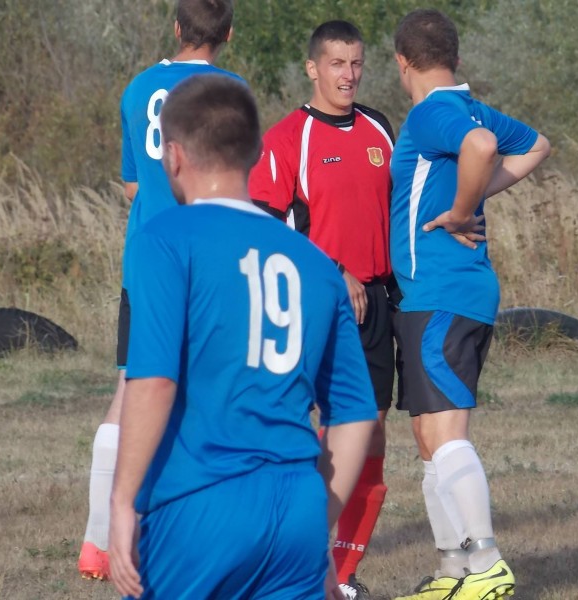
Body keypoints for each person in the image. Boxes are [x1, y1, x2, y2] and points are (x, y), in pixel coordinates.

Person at [109, 74, 376, 599]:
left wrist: (120, 503)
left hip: (198, 503)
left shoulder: (163, 240)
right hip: (297, 507)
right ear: (256, 153)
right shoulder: (318, 264)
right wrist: (316, 523)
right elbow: (354, 414)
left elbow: (154, 381)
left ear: (173, 156)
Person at [77, 0, 244, 580]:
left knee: (131, 386)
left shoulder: (138, 88)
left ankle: (98, 541)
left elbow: (132, 186)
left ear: (177, 28)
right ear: (228, 33)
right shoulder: (232, 91)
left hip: (147, 258)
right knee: (212, 389)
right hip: (208, 260)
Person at [388, 9, 551, 600]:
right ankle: (453, 569)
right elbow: (536, 145)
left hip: (443, 291)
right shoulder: (469, 106)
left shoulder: (432, 112)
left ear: (402, 63)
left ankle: (487, 563)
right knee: (427, 433)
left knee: (446, 430)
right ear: (455, 57)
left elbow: (482, 147)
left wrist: (461, 211)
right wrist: (475, 190)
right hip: (432, 295)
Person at [248, 20, 395, 599]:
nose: (348, 75)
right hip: (316, 302)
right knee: (311, 435)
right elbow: (264, 227)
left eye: (356, 63)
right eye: (337, 63)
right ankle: (288, 562)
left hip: (377, 304)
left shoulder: (379, 127)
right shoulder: (288, 137)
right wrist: (334, 271)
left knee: (371, 436)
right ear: (313, 68)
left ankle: (341, 575)